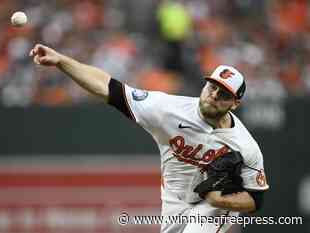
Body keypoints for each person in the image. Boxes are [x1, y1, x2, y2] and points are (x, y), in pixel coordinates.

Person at [29, 44, 269, 233]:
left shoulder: (245, 145)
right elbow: (107, 87)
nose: (214, 95)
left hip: (215, 205)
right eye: (212, 87)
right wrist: (61, 61)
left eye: (223, 94)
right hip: (174, 199)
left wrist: (218, 199)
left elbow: (255, 199)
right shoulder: (167, 110)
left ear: (235, 104)